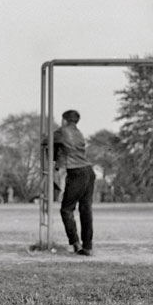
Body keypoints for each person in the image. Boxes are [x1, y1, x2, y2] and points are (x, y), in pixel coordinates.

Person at [55, 109, 96, 256]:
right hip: (89, 171)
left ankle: (75, 243)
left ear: (64, 120)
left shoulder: (62, 132)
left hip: (76, 172)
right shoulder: (79, 133)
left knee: (66, 209)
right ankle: (88, 246)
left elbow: (48, 141)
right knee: (85, 210)